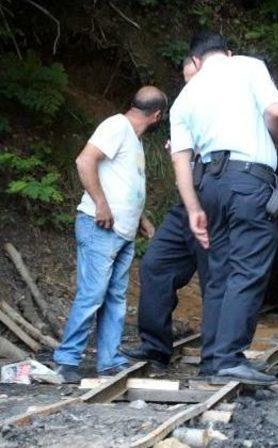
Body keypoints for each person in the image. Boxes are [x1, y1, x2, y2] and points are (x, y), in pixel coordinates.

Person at [170, 31, 278, 385]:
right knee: (248, 267)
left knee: (218, 273)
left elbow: (180, 159)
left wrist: (193, 209)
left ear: (196, 60)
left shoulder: (184, 97)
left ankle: (212, 359)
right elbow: (276, 111)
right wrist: (277, 135)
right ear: (228, 52)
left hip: (207, 185)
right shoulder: (248, 66)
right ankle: (228, 358)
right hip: (248, 181)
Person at [53, 86, 167, 383]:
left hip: (121, 231)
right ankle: (66, 360)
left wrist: (140, 218)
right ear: (157, 115)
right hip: (99, 225)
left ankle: (109, 360)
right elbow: (84, 160)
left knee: (115, 297)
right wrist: (101, 204)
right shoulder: (116, 126)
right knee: (92, 295)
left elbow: (122, 181)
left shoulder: (132, 138)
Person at [121, 56, 210, 369]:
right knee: (156, 265)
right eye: (186, 79)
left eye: (194, 77)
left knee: (216, 277)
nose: (190, 84)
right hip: (186, 203)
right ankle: (156, 347)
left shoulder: (233, 103)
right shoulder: (188, 108)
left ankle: (217, 355)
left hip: (219, 198)